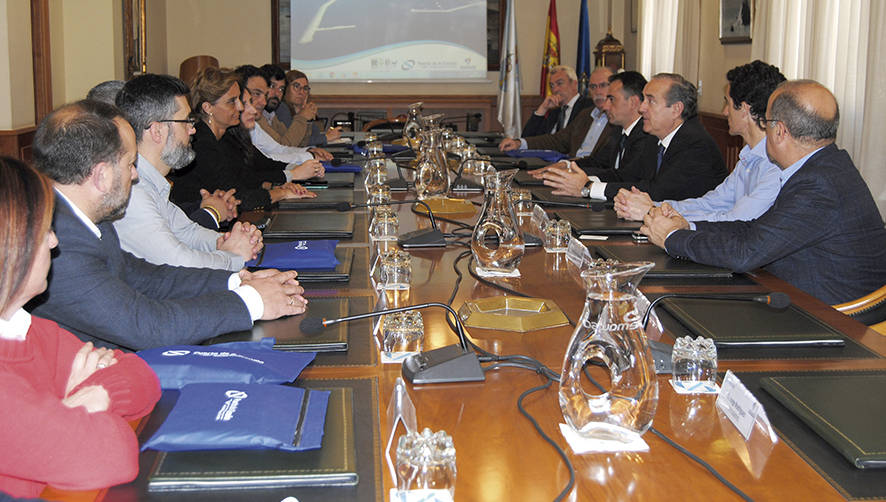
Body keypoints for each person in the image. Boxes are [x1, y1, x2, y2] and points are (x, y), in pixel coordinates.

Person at [29, 99, 308, 350]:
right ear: (101, 176)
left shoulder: (81, 219)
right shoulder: (58, 244)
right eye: (129, 165)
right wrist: (252, 302)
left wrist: (236, 281)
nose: (135, 175)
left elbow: (147, 277)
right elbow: (146, 326)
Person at [642, 80, 886, 304]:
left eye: (767, 123)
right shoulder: (825, 167)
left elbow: (745, 253)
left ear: (779, 131)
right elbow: (756, 228)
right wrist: (688, 227)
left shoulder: (818, 185)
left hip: (831, 317)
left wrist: (672, 237)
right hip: (800, 296)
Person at [0, 156, 160, 497]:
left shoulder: (27, 329)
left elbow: (141, 377)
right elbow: (113, 455)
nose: (55, 242)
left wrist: (97, 395)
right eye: (45, 230)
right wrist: (68, 412)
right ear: (12, 245)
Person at [113, 73, 263, 271]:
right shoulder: (132, 193)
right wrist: (232, 256)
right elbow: (177, 261)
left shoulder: (151, 181)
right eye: (186, 121)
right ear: (157, 131)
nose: (192, 130)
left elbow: (188, 232)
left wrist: (231, 239)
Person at [615, 61, 786, 221]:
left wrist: (652, 212)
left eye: (727, 103)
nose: (725, 112)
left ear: (744, 109)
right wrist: (655, 206)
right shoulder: (748, 157)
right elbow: (710, 203)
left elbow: (735, 221)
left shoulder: (776, 166)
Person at [168, 67, 313, 211]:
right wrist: (282, 193)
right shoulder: (201, 144)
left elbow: (247, 178)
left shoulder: (227, 137)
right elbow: (239, 198)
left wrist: (275, 186)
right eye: (232, 101)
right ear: (208, 107)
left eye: (239, 100)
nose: (240, 106)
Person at [569, 73, 728, 201]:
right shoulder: (654, 138)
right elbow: (627, 175)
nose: (642, 108)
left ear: (676, 109)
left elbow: (657, 192)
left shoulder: (695, 144)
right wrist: (579, 178)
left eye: (650, 101)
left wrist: (588, 187)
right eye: (644, 99)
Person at [532, 71, 658, 197]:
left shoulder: (646, 136)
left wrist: (586, 185)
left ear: (633, 102)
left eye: (612, 99)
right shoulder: (618, 131)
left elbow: (628, 178)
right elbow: (598, 162)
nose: (605, 106)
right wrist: (565, 167)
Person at [498, 67, 616, 158]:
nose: (597, 91)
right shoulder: (583, 114)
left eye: (603, 85)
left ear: (575, 84)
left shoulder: (614, 117)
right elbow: (555, 140)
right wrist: (519, 143)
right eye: (593, 87)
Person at [236, 65, 331, 166]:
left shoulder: (268, 115)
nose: (301, 92)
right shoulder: (280, 110)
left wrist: (309, 151)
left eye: (281, 89)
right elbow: (279, 149)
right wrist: (309, 154)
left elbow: (279, 148)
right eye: (296, 86)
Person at [272, 69, 341, 147]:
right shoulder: (281, 107)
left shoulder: (298, 109)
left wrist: (306, 115)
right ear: (286, 89)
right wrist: (326, 137)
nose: (301, 92)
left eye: (305, 88)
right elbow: (294, 141)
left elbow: (314, 134)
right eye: (296, 86)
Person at [522, 65, 594, 137]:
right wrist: (543, 108)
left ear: (574, 84)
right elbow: (527, 137)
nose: (555, 90)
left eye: (559, 83)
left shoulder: (588, 106)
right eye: (552, 86)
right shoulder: (554, 112)